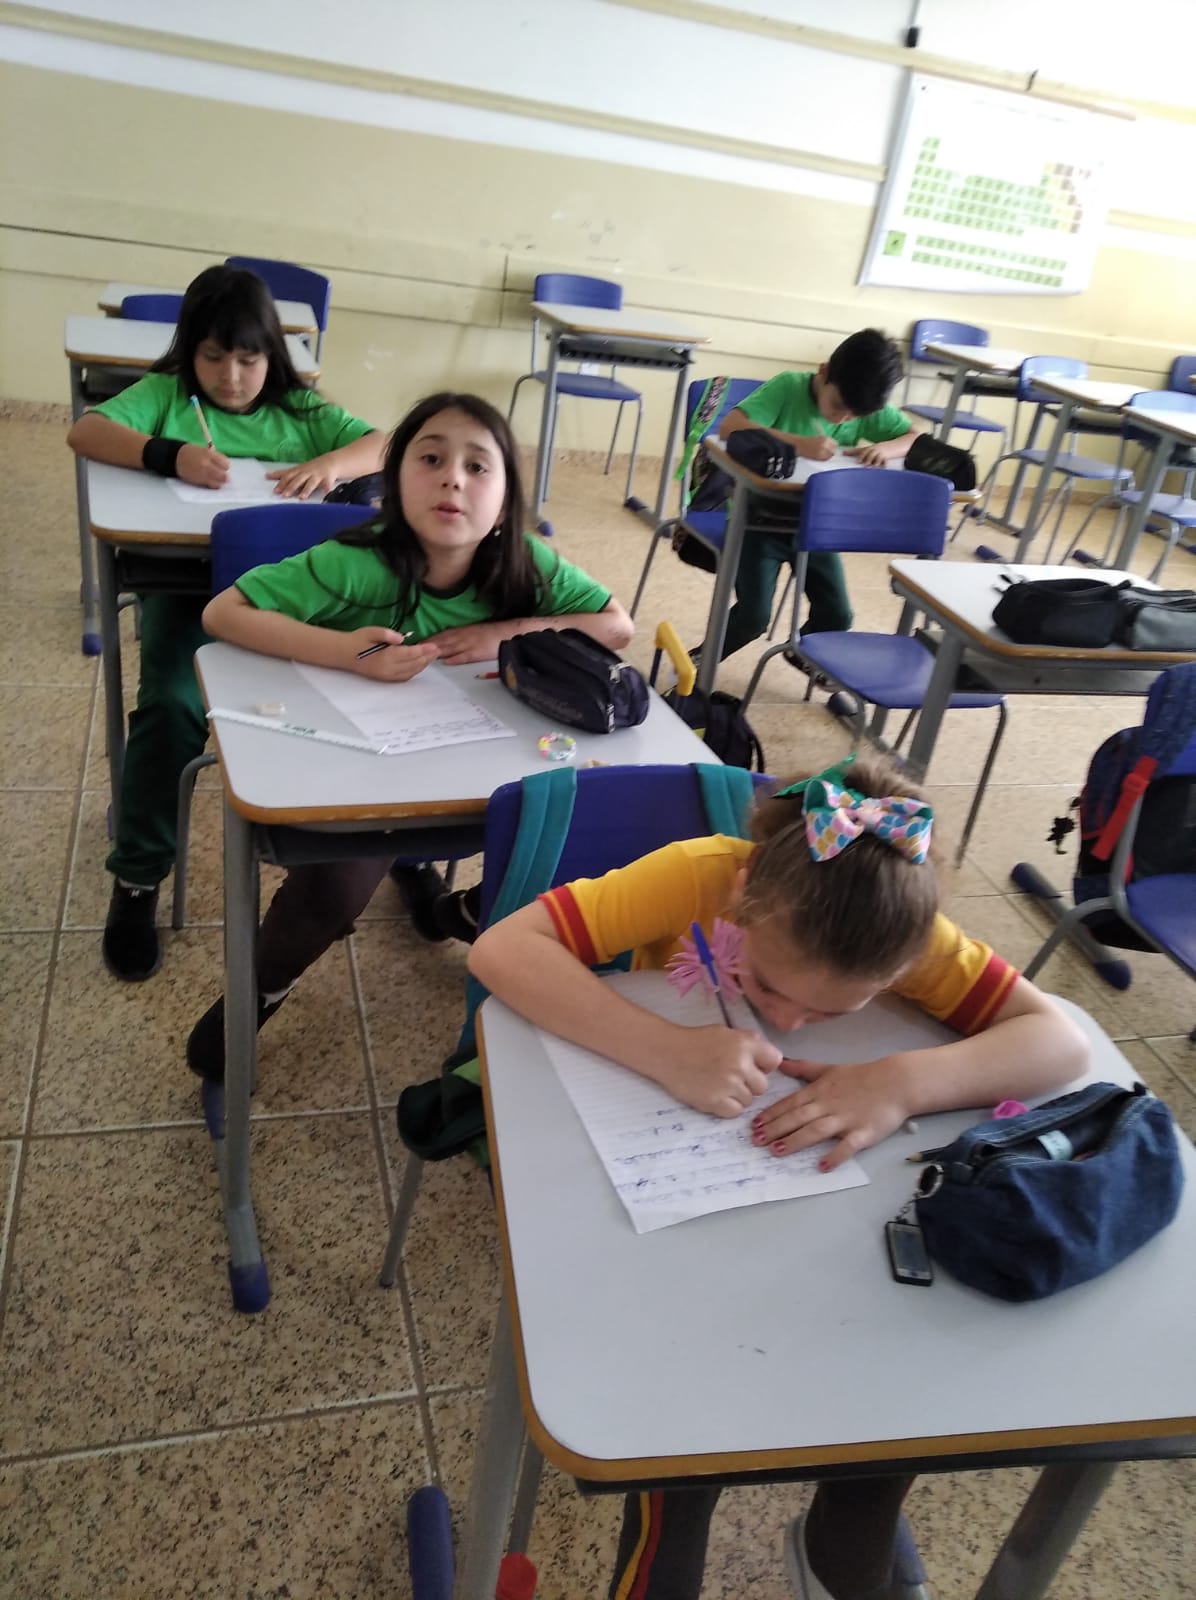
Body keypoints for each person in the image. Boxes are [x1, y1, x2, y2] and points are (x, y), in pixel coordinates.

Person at [468, 752, 1088, 1600]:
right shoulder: (703, 875)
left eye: (834, 1011)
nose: (788, 1020)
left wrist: (899, 1081)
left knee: (897, 1354)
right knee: (686, 1407)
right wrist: (665, 1050)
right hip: (659, 1208)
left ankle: (850, 1514)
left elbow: (1059, 1043)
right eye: (764, 982)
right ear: (744, 895)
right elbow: (503, 949)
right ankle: (685, 1502)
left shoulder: (903, 932)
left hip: (823, 1222)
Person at [184, 389, 633, 1081]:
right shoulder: (355, 562)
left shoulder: (523, 563)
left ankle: (463, 909)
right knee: (335, 888)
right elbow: (224, 612)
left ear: (505, 504)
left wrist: (502, 632)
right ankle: (262, 989)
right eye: (431, 459)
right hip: (361, 766)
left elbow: (616, 625)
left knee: (588, 840)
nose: (453, 479)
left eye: (478, 467)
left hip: (468, 764)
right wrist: (347, 652)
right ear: (394, 482)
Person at [67, 264, 386, 982]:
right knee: (172, 708)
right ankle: (138, 877)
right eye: (214, 357)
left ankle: (387, 856)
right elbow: (86, 431)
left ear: (272, 355)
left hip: (288, 606)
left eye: (249, 359)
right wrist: (169, 453)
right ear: (191, 351)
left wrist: (333, 464)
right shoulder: (168, 396)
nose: (233, 377)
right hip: (190, 597)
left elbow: (386, 443)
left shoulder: (298, 409)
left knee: (367, 694)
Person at [714, 328, 917, 661]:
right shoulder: (789, 386)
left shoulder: (859, 399)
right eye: (837, 406)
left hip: (817, 524)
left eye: (855, 416)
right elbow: (729, 427)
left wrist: (886, 448)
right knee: (753, 618)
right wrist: (799, 444)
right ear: (823, 372)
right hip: (757, 520)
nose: (843, 418)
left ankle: (801, 655)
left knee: (837, 616)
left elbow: (915, 438)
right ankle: (698, 664)